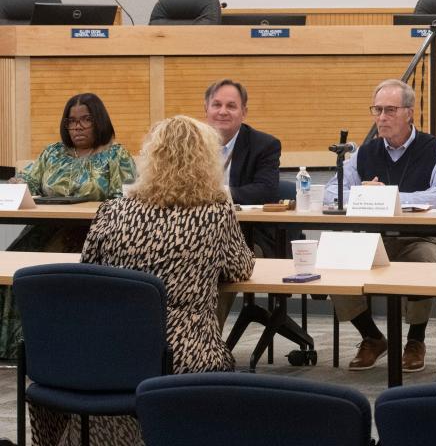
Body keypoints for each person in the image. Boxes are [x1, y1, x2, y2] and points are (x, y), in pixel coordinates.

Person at [30, 114, 255, 446]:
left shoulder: (112, 211)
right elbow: (239, 268)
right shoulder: (216, 212)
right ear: (208, 161)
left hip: (111, 350)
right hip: (182, 353)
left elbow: (88, 273)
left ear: (151, 157)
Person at [323, 78, 436, 373]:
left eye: (390, 110)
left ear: (410, 112)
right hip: (375, 239)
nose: (381, 117)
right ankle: (371, 336)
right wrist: (361, 192)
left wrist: (390, 196)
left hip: (423, 238)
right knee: (333, 257)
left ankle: (415, 340)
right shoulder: (364, 152)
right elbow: (330, 192)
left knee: (427, 259)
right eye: (377, 110)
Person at [0, 93, 135, 359]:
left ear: (99, 121)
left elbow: (127, 197)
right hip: (46, 229)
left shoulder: (116, 155)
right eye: (71, 121)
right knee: (15, 266)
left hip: (96, 233)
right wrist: (18, 183)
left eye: (86, 120)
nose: (78, 127)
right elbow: (28, 181)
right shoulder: (52, 153)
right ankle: (18, 348)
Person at [204, 78, 280, 205]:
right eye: (216, 105)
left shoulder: (265, 145)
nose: (222, 112)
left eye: (231, 106)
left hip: (245, 222)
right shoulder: (190, 144)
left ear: (244, 112)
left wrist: (219, 194)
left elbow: (267, 192)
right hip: (199, 221)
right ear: (206, 109)